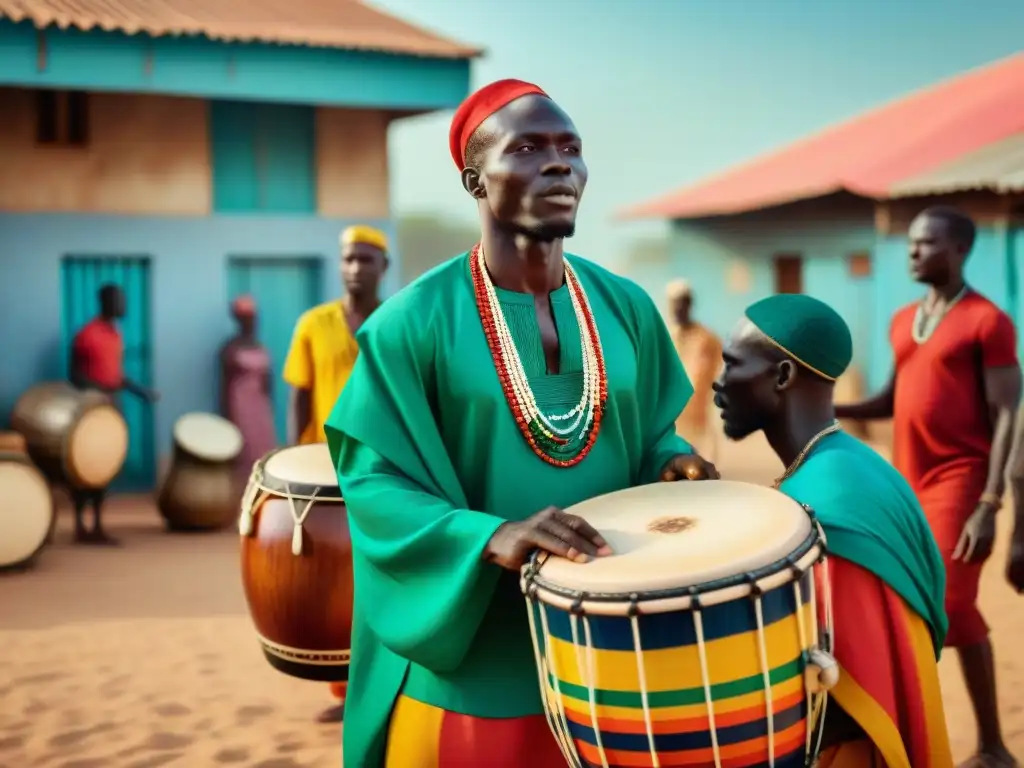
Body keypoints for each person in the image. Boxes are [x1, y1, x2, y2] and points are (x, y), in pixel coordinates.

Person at [323, 78, 720, 768]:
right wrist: (490, 535)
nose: (559, 163)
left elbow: (654, 429)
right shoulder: (411, 325)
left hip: (615, 658)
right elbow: (373, 482)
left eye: (571, 147)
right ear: (476, 178)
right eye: (530, 147)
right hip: (474, 671)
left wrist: (672, 460)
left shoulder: (626, 306)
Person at [714, 293, 952, 768]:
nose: (718, 384)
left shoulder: (820, 513)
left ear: (782, 376)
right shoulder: (856, 465)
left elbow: (850, 688)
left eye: (732, 365)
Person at [836, 206, 1021, 768]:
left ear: (960, 250)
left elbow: (1011, 414)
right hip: (907, 487)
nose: (914, 252)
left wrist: (993, 505)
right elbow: (893, 400)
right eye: (911, 244)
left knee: (947, 602)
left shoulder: (988, 322)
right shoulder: (903, 320)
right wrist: (823, 405)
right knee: (914, 603)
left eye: (926, 243)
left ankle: (985, 743)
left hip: (962, 483)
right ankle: (980, 745)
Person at [282, 224, 389, 724]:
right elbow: (300, 394)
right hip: (327, 472)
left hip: (388, 470)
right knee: (337, 585)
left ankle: (386, 688)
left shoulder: (396, 321)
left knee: (383, 581)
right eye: (348, 259)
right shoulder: (313, 323)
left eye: (366, 260)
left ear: (383, 268)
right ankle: (345, 692)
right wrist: (290, 458)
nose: (354, 268)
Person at [68, 283, 159, 546]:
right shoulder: (86, 335)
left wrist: (140, 391)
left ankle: (96, 526)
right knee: (83, 463)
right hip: (89, 409)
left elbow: (116, 375)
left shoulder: (115, 334)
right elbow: (75, 375)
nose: (124, 306)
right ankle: (78, 526)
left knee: (105, 465)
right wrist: (100, 389)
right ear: (106, 302)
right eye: (119, 300)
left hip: (112, 406)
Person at [218, 295, 276, 484]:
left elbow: (268, 379)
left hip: (259, 403)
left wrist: (268, 405)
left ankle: (263, 485)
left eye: (253, 318)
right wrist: (225, 414)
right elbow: (224, 383)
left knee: (262, 444)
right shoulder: (230, 348)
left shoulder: (261, 346)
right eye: (246, 318)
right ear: (238, 320)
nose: (251, 322)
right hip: (239, 404)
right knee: (243, 445)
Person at [668, 278, 722, 460]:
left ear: (689, 304)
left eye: (681, 303)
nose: (677, 309)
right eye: (673, 303)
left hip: (700, 425)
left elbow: (718, 375)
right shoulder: (666, 337)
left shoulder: (706, 339)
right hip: (671, 426)